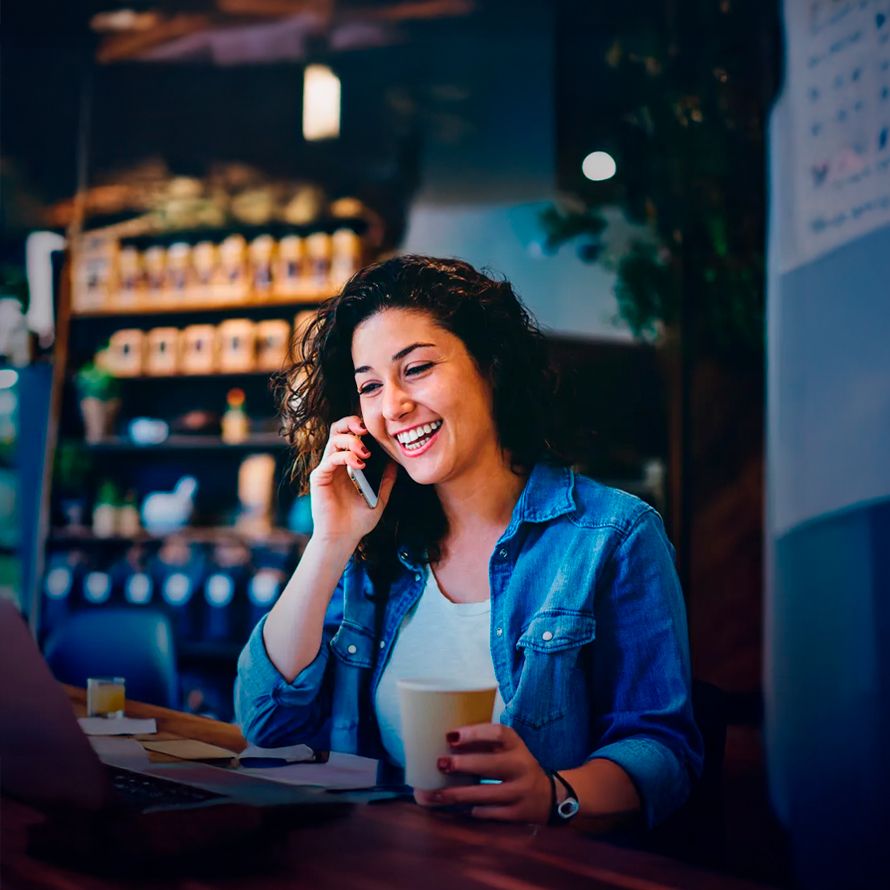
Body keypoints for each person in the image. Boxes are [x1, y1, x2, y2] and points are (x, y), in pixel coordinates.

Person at [235, 255, 702, 828]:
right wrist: (330, 542)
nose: (393, 406)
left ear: (492, 365)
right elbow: (267, 723)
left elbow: (664, 750)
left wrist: (554, 793)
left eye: (418, 368)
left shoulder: (614, 535)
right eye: (371, 386)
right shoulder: (374, 543)